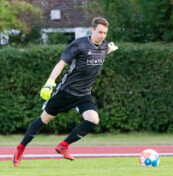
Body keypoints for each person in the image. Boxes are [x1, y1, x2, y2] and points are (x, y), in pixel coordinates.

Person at [12, 17, 118, 167]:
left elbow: (101, 51)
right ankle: (20, 148)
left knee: (93, 119)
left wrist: (109, 49)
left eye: (105, 33)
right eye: (100, 32)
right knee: (44, 119)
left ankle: (63, 146)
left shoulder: (104, 45)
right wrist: (50, 82)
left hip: (84, 94)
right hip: (66, 91)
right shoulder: (79, 44)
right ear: (92, 30)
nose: (102, 36)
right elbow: (61, 64)